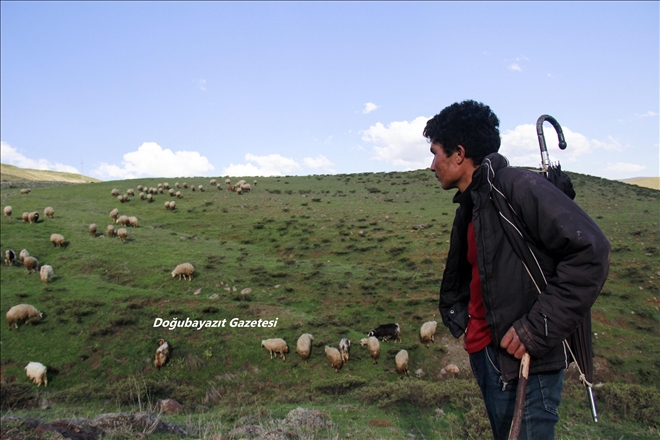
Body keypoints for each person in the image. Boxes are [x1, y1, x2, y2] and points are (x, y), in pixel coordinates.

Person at [424, 100, 610, 439]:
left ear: (459, 154)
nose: (432, 165)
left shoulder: (515, 187)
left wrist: (536, 329)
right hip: (488, 354)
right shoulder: (474, 203)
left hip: (528, 363)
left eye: (435, 153)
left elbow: (592, 249)